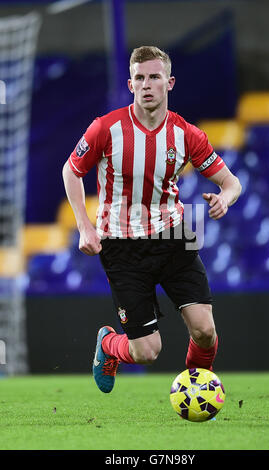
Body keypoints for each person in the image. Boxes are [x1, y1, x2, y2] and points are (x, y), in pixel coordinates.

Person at [62, 46, 242, 394]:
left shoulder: (186, 134)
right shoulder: (105, 128)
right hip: (121, 244)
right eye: (139, 78)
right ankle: (108, 344)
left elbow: (231, 182)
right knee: (148, 352)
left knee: (205, 331)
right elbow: (71, 171)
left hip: (174, 235)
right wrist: (84, 225)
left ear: (169, 82)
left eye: (154, 77)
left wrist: (226, 199)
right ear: (130, 84)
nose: (147, 84)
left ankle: (196, 392)